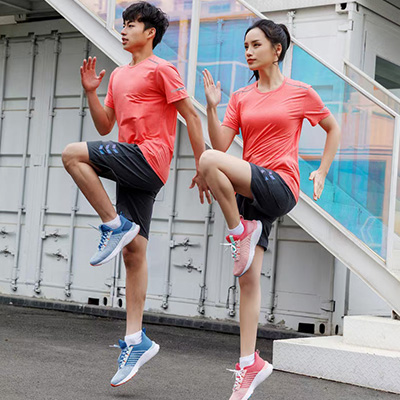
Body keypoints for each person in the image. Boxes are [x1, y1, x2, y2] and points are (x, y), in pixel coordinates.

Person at [62, 1, 210, 388]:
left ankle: (113, 224)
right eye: (123, 24)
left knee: (72, 154)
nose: (124, 29)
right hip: (131, 161)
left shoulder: (162, 69)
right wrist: (91, 93)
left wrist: (203, 166)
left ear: (150, 33)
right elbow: (105, 125)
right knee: (134, 252)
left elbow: (191, 116)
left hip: (149, 157)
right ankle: (135, 340)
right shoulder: (119, 75)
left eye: (131, 24)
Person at [200, 19, 341, 400]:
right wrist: (212, 108)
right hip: (249, 191)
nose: (248, 51)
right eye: (245, 45)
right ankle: (250, 364)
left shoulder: (300, 92)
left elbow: (333, 128)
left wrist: (322, 171)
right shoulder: (241, 97)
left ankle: (238, 232)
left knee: (208, 161)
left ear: (277, 50)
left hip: (280, 184)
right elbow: (220, 143)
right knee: (248, 280)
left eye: (255, 44)